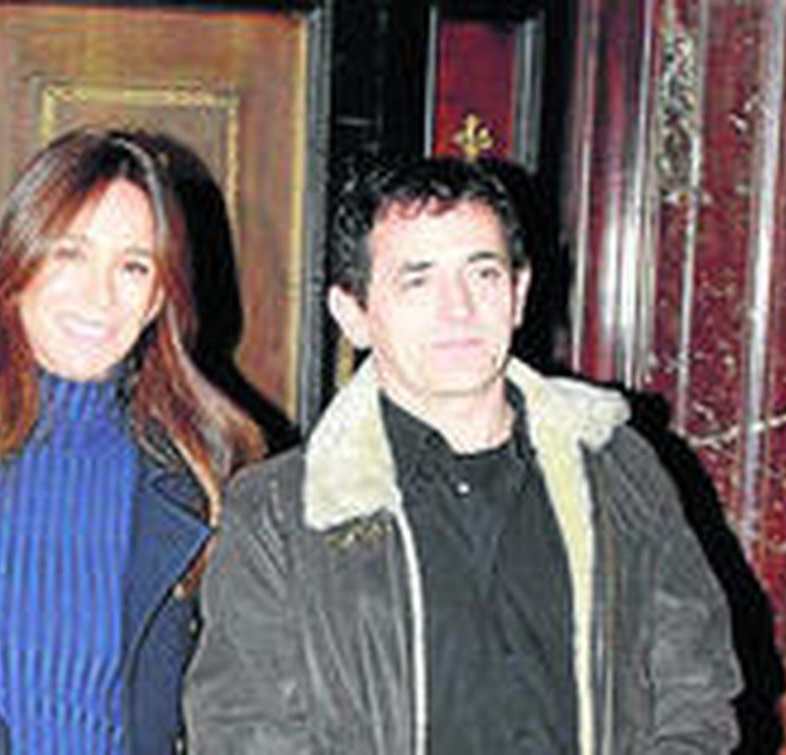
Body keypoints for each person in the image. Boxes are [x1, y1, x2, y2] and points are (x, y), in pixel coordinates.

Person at [183, 157, 742, 754]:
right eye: (417, 281)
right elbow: (245, 732)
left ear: (519, 293)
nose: (458, 309)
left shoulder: (617, 468)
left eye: (483, 274)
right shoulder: (282, 513)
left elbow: (696, 692)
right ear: (354, 314)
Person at [0, 128, 263, 754]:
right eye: (70, 254)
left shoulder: (207, 472)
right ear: (18, 264)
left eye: (133, 266)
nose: (98, 296)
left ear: (159, 296)